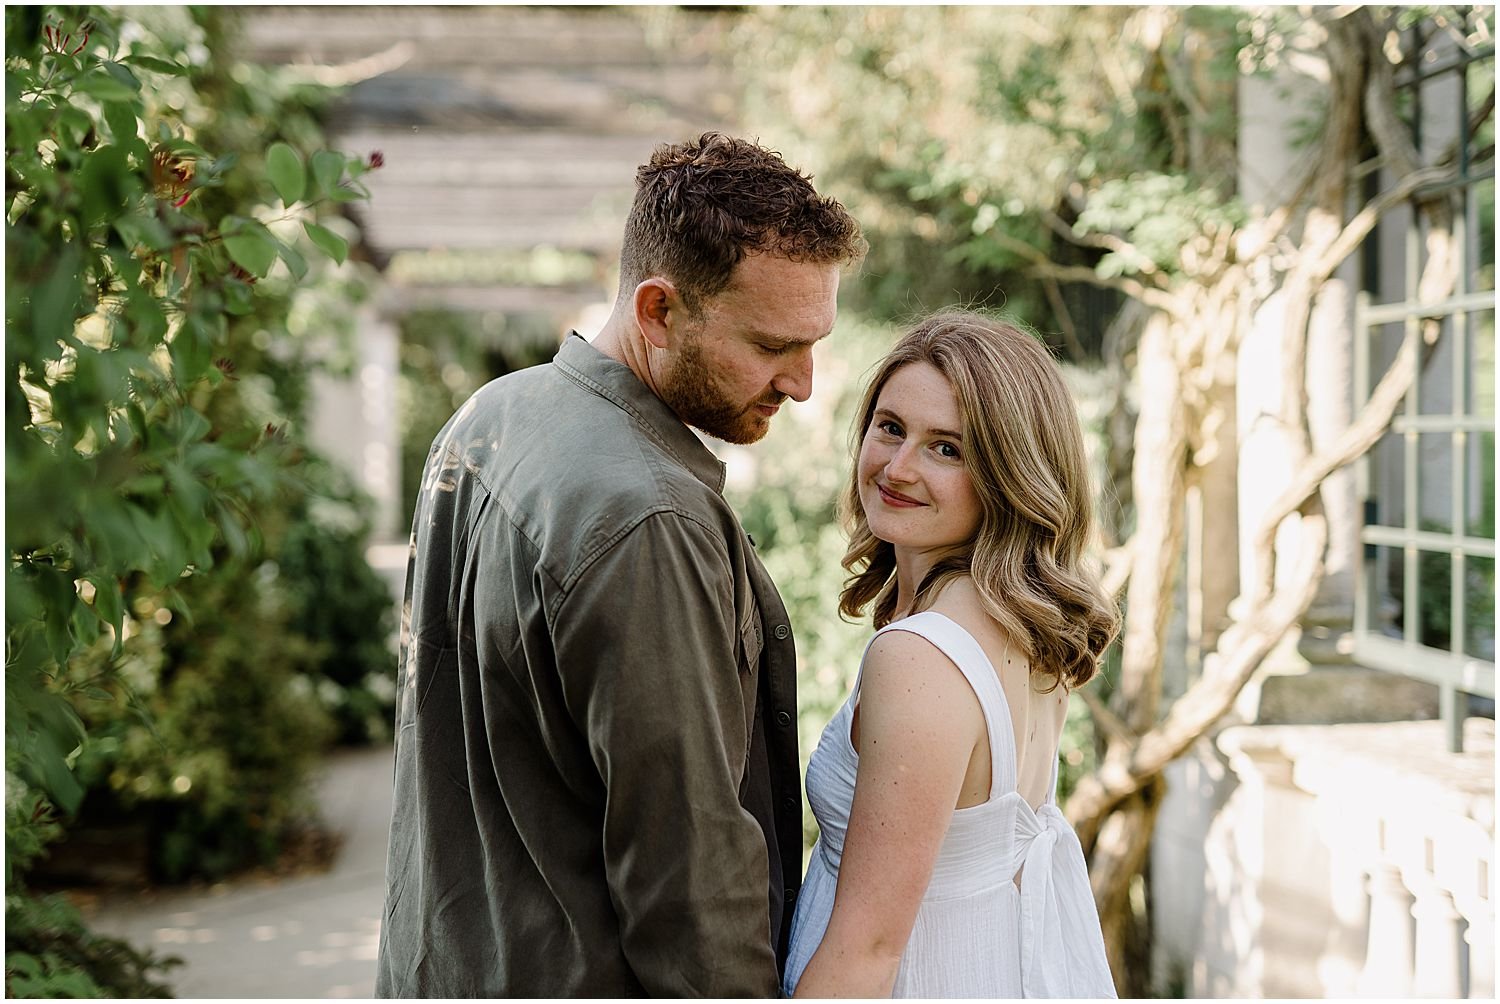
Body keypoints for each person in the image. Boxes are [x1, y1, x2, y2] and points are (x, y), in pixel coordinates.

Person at [374, 133, 863, 997]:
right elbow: (693, 878)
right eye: (771, 345)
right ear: (658, 310)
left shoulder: (491, 417)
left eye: (814, 342)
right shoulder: (648, 517)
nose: (804, 384)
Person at [783, 310, 1121, 998]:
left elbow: (867, 950)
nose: (898, 468)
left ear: (1008, 473)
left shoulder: (921, 657)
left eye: (947, 449)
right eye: (891, 427)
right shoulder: (1022, 621)